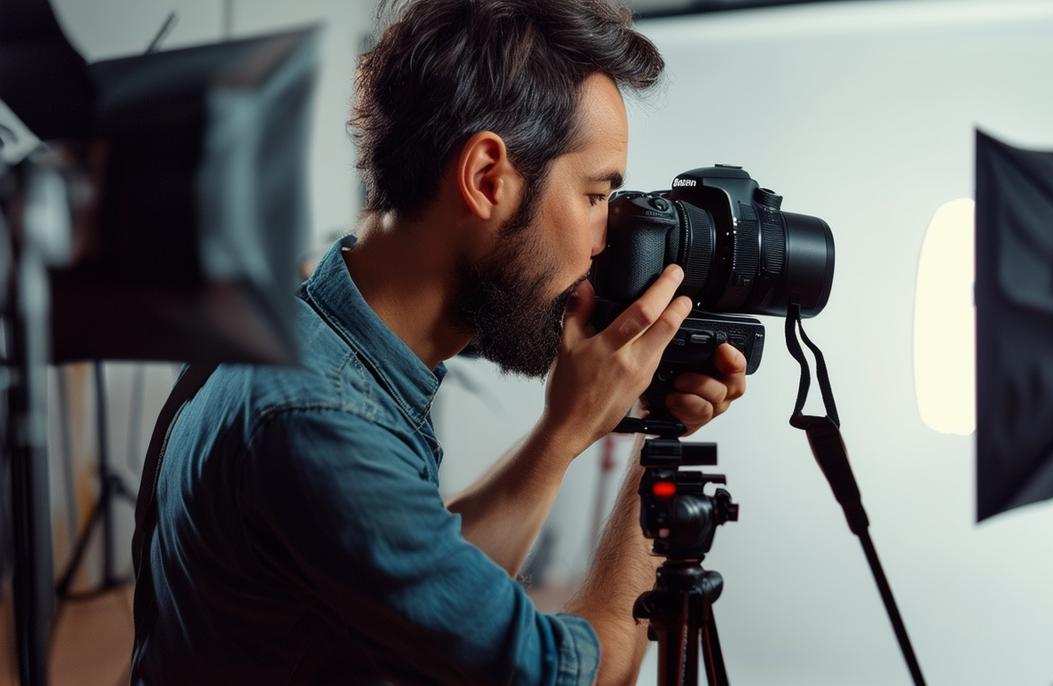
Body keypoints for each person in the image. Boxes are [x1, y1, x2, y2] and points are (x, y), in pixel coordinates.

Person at [129, 1, 747, 684]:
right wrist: (653, 462)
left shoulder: (306, 338)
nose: (604, 247)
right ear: (487, 179)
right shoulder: (323, 418)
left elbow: (430, 584)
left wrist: (569, 428)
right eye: (597, 196)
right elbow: (571, 676)